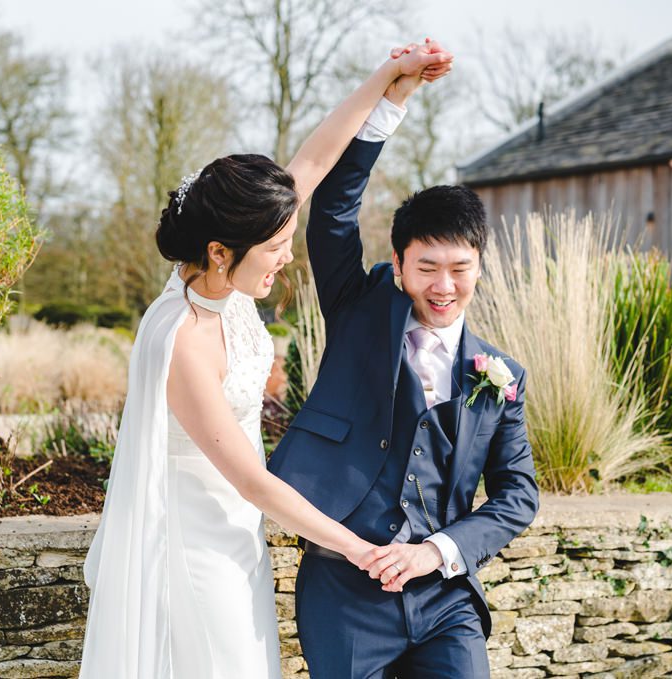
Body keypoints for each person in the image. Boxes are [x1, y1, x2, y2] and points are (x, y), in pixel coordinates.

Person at [81, 42, 453, 678]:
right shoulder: (184, 338)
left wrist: (390, 83)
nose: (287, 257)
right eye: (276, 247)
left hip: (237, 537)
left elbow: (313, 157)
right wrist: (358, 550)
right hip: (193, 548)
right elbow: (250, 481)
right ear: (222, 251)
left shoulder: (233, 265)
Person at [266, 52, 538, 679]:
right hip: (345, 593)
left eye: (460, 269)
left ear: (479, 267)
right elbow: (332, 212)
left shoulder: (502, 375)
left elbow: (517, 496)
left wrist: (437, 553)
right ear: (397, 264)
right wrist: (392, 102)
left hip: (445, 599)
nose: (444, 286)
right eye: (427, 268)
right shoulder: (359, 310)